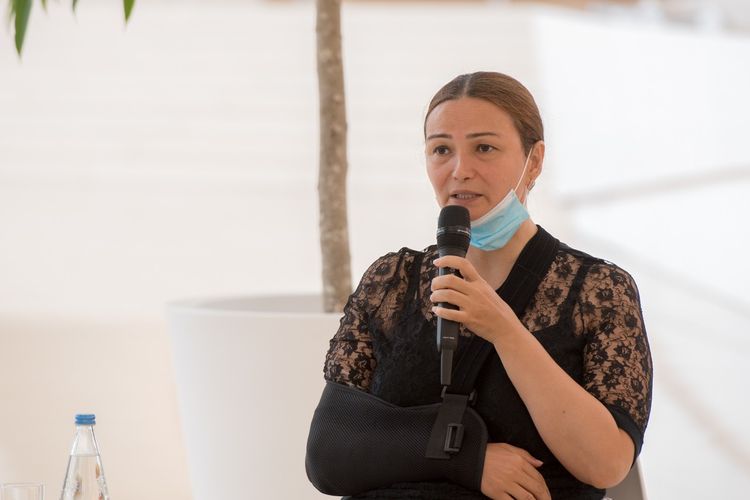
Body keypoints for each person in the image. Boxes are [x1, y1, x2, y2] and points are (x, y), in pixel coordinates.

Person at [311, 71, 652, 500]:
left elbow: (606, 464)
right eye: (441, 150)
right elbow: (328, 454)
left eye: (484, 148)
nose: (460, 171)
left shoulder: (598, 291)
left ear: (535, 160)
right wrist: (466, 459)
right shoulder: (391, 282)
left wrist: (505, 330)